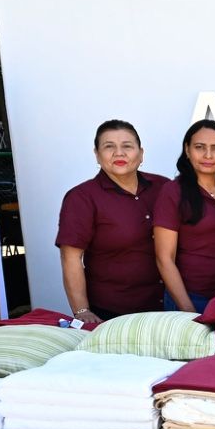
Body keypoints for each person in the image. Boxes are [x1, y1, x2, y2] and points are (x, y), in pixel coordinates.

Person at [55, 118, 168, 323]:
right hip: (114, 312)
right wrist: (82, 311)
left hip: (169, 306)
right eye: (109, 147)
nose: (119, 153)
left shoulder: (163, 187)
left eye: (127, 146)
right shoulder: (82, 198)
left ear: (141, 153)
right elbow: (70, 258)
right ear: (97, 155)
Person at [153, 119, 215, 313]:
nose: (208, 155)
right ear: (187, 150)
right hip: (192, 299)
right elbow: (164, 258)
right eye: (199, 147)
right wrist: (188, 310)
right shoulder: (173, 192)